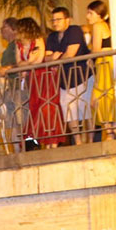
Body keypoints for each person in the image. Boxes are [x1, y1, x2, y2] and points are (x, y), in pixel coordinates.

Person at [16, 17, 63, 148]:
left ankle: (52, 142)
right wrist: (29, 61)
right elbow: (19, 63)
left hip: (44, 76)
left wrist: (28, 62)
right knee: (36, 108)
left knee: (48, 107)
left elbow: (39, 60)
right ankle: (43, 141)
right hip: (33, 78)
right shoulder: (18, 44)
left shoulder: (38, 40)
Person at [46, 7, 91, 144]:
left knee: (85, 109)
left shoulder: (74, 30)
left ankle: (90, 139)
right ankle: (77, 140)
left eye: (58, 19)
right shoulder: (52, 37)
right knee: (69, 110)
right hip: (64, 79)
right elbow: (46, 58)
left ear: (67, 19)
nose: (55, 23)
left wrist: (56, 58)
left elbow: (70, 54)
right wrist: (54, 57)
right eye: (53, 20)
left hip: (82, 75)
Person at [86, 1, 115, 132]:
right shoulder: (105, 26)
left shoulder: (98, 25)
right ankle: (110, 128)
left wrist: (89, 55)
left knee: (100, 96)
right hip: (105, 62)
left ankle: (109, 129)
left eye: (90, 13)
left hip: (104, 62)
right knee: (103, 95)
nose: (87, 16)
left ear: (98, 14)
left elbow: (97, 48)